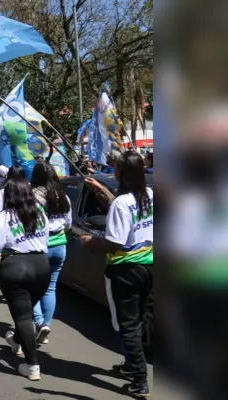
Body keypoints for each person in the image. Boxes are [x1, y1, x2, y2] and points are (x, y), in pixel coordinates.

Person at [81, 151, 153, 397]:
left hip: (125, 270)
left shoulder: (122, 203)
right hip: (150, 267)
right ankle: (131, 366)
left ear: (120, 173)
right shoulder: (151, 195)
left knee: (127, 326)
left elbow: (115, 243)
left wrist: (91, 242)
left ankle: (140, 380)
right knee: (139, 319)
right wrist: (101, 190)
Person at [0, 165, 50, 381]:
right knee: (24, 310)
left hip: (16, 267)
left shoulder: (3, 217)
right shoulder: (40, 213)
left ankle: (32, 364)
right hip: (42, 267)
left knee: (23, 315)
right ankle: (17, 340)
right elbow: (46, 241)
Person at [30, 162, 72, 345]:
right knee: (50, 287)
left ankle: (39, 323)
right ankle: (46, 325)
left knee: (31, 288)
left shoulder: (33, 197)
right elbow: (68, 224)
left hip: (40, 247)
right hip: (60, 246)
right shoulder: (63, 197)